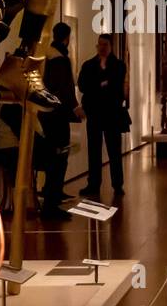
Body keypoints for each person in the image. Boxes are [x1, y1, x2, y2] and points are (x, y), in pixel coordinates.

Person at [38, 22, 82, 219]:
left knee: (54, 157)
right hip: (57, 114)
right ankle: (51, 203)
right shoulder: (59, 59)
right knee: (58, 157)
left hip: (46, 113)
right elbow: (64, 87)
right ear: (67, 37)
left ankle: (53, 195)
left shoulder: (45, 55)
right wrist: (75, 107)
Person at [76, 33, 128, 199]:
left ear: (110, 46)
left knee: (114, 150)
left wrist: (98, 85)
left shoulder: (118, 65)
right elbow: (83, 85)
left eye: (105, 44)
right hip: (95, 112)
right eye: (100, 44)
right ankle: (93, 183)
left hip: (111, 112)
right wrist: (102, 84)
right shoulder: (89, 65)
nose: (102, 47)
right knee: (94, 150)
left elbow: (115, 85)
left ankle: (117, 184)